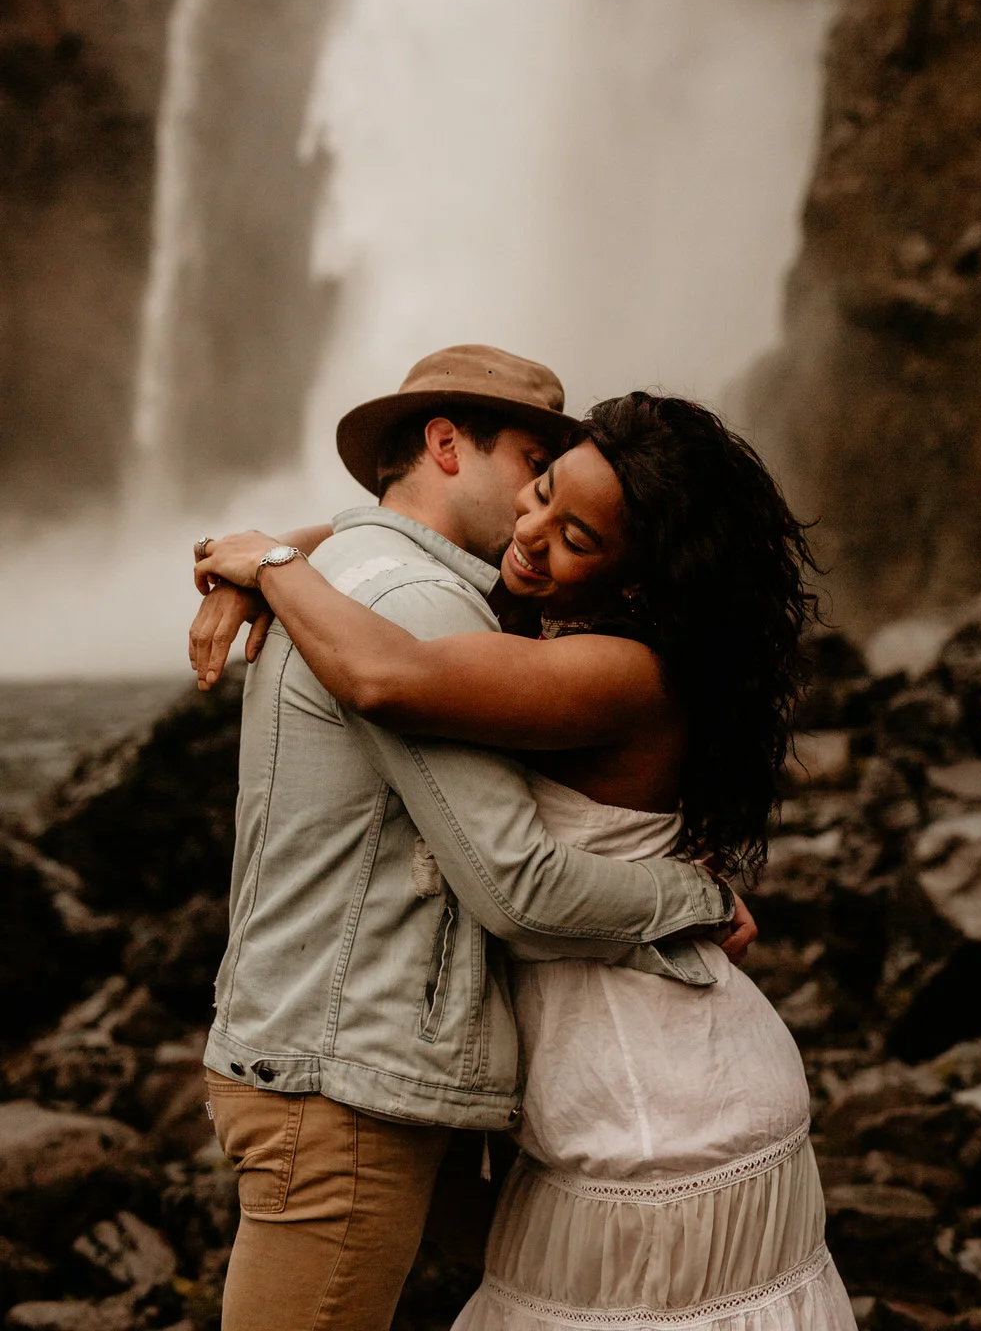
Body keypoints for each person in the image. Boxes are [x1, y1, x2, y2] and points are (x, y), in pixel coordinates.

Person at [195, 385, 857, 1329]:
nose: (532, 530)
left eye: (575, 536)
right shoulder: (551, 623)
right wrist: (261, 558)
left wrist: (265, 561)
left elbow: (387, 673)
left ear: (640, 575)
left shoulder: (611, 668)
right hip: (615, 1083)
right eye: (541, 487)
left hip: (651, 1106)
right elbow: (383, 548)